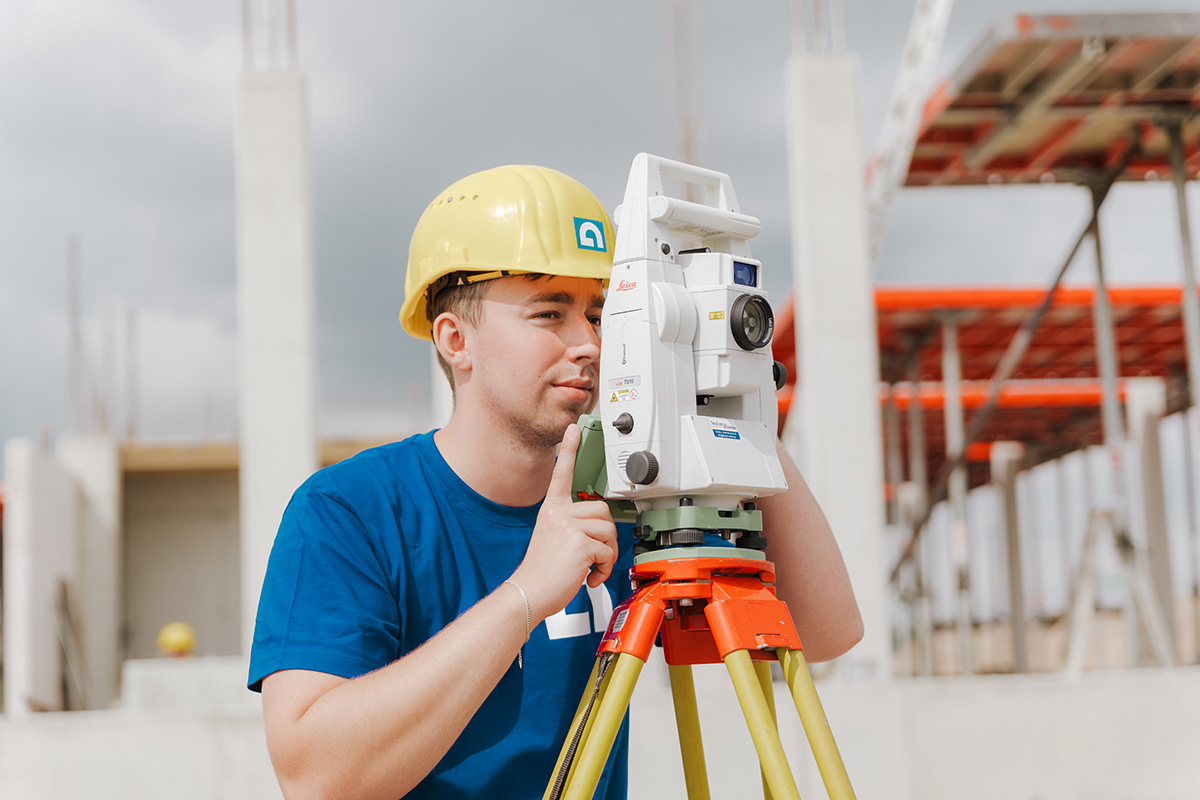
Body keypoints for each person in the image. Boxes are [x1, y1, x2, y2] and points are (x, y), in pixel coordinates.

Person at [248, 164, 863, 800]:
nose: (589, 344)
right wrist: (526, 594)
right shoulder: (352, 511)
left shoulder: (627, 495)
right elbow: (315, 776)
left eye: (599, 314)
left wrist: (730, 400)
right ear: (455, 340)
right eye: (549, 313)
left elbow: (826, 634)